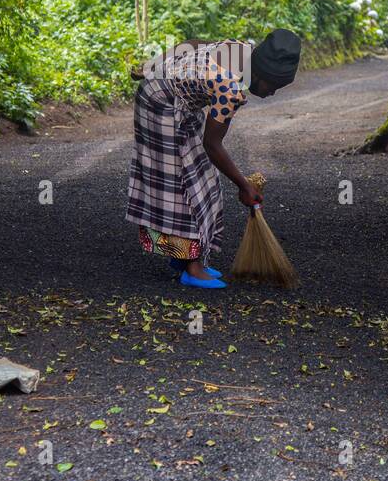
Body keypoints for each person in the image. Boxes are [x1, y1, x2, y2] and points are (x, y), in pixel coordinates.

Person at [126, 29, 302, 288]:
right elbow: (212, 144)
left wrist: (156, 63)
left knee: (204, 177)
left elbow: (192, 43)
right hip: (158, 102)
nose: (272, 93)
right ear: (261, 73)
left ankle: (182, 255)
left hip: (183, 103)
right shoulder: (230, 90)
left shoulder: (242, 50)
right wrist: (243, 185)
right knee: (183, 183)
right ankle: (192, 268)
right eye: (272, 86)